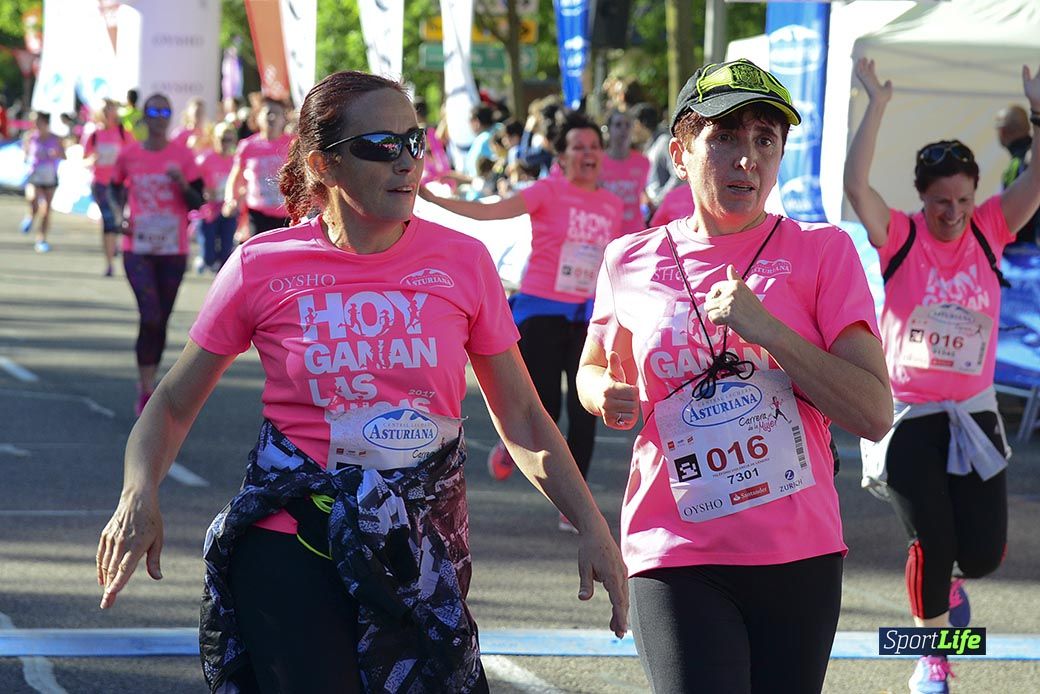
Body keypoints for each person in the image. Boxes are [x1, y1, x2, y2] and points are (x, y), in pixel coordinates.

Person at [95, 70, 628, 693]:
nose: (407, 161)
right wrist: (138, 493)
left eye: (415, 141)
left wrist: (592, 524)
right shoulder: (260, 267)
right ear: (323, 164)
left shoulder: (464, 262)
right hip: (294, 538)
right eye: (381, 145)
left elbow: (525, 418)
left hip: (419, 550)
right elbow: (171, 404)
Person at [577, 58, 893, 693]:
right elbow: (593, 367)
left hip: (797, 552)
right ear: (680, 153)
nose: (747, 158)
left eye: (765, 140)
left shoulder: (822, 252)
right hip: (674, 546)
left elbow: (873, 412)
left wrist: (770, 331)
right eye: (724, 137)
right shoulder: (628, 259)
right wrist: (601, 393)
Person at [845, 58, 1040, 693]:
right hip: (908, 414)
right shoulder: (900, 235)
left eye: (962, 201)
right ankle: (931, 655)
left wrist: (1039, 114)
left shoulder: (991, 228)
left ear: (976, 196)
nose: (951, 214)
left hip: (973, 412)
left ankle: (948, 586)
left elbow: (1038, 178)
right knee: (931, 538)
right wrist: (877, 103)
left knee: (980, 553)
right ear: (921, 197)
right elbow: (856, 187)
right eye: (939, 203)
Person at [419, 113, 624, 531]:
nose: (587, 154)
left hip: (588, 316)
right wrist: (434, 200)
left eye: (593, 147)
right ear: (562, 157)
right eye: (578, 147)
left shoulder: (613, 204)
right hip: (542, 311)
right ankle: (510, 443)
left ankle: (574, 505)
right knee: (542, 407)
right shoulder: (548, 191)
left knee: (583, 410)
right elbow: (491, 212)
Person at [109, 93, 204, 416]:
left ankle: (149, 381)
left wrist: (181, 183)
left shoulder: (183, 156)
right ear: (145, 116)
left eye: (165, 112)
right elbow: (111, 188)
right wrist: (118, 215)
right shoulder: (129, 154)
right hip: (137, 248)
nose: (160, 117)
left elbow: (198, 201)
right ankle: (146, 387)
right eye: (154, 111)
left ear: (170, 116)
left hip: (172, 248)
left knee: (161, 318)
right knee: (149, 314)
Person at [223, 96, 293, 238]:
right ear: (258, 117)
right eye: (268, 113)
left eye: (277, 113)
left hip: (286, 215)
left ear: (284, 119)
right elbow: (235, 176)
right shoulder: (247, 146)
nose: (272, 117)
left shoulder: (293, 144)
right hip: (256, 214)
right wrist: (230, 199)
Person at [82, 98, 132, 275]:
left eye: (109, 109)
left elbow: (133, 156)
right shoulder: (93, 134)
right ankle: (110, 263)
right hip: (101, 184)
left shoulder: (123, 133)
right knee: (109, 220)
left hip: (120, 184)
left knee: (119, 220)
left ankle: (117, 249)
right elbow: (84, 159)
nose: (106, 113)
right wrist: (92, 160)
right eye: (103, 110)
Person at [194, 121, 238, 272]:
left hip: (227, 210)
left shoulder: (235, 160)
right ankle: (204, 259)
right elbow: (194, 183)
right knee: (209, 256)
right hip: (208, 211)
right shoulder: (205, 159)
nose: (226, 143)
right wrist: (204, 193)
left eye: (229, 139)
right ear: (215, 139)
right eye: (222, 139)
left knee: (226, 252)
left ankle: (221, 278)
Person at [995, 104, 1040, 249]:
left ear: (1002, 131)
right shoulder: (1032, 155)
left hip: (1027, 252)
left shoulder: (1019, 164)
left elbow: (1010, 211)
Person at [599, 108, 651, 234]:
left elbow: (644, 193)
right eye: (618, 125)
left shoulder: (643, 162)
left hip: (635, 232)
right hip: (606, 231)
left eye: (627, 125)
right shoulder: (598, 162)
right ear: (608, 129)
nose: (623, 129)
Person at [21, 111, 65, 253]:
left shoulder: (56, 138)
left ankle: (41, 239)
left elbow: (64, 155)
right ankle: (31, 215)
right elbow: (25, 155)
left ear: (45, 123)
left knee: (46, 210)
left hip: (49, 177)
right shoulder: (30, 137)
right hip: (34, 175)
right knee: (32, 199)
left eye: (38, 121)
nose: (35, 124)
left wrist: (57, 154)